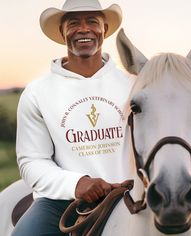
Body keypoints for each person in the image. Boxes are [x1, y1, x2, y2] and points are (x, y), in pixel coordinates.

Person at [12, 0, 134, 235]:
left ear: (105, 29)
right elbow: (31, 162)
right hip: (63, 203)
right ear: (62, 32)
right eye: (74, 23)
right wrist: (78, 184)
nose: (84, 29)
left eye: (92, 21)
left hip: (131, 196)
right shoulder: (37, 93)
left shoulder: (133, 84)